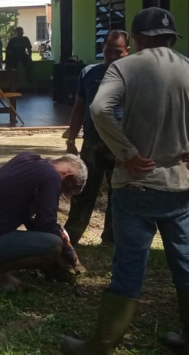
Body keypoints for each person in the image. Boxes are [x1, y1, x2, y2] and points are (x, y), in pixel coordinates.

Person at [61, 7, 189, 355]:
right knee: (186, 260)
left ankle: (102, 344)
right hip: (181, 185)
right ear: (172, 38)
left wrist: (126, 152)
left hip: (136, 183)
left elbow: (99, 109)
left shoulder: (124, 68)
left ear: (137, 38)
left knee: (129, 263)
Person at [0, 152, 87, 291]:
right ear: (68, 177)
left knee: (53, 238)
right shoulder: (53, 177)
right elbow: (46, 224)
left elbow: (28, 216)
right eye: (64, 189)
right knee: (54, 245)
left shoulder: (26, 158)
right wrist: (68, 252)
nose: (59, 193)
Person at [64, 30, 130, 247]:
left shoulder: (133, 76)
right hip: (92, 143)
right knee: (83, 190)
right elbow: (79, 107)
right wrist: (71, 140)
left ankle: (111, 239)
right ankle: (71, 237)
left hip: (119, 145)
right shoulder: (89, 73)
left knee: (118, 192)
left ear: (127, 51)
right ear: (102, 49)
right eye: (108, 51)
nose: (112, 56)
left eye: (118, 52)